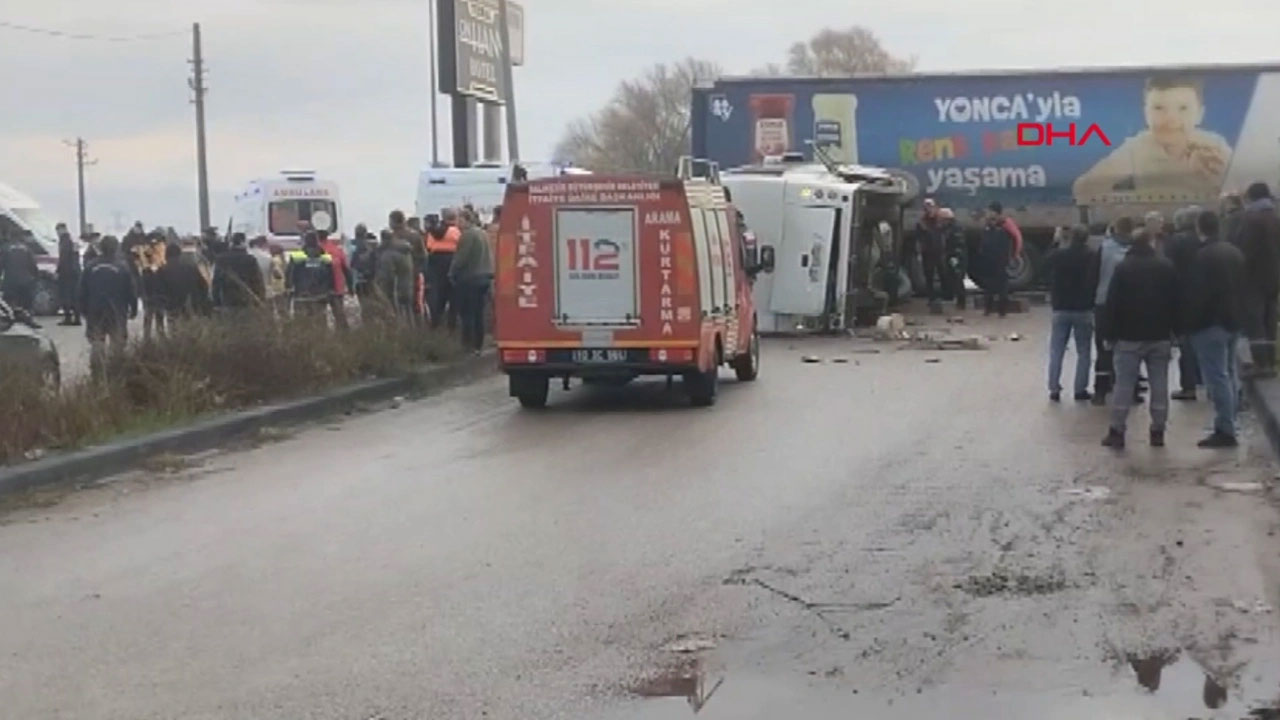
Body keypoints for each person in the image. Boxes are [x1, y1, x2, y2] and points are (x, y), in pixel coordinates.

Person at [1072, 74, 1232, 204]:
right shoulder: (1136, 149)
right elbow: (1082, 188)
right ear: (1145, 113)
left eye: (1183, 109)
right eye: (1159, 108)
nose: (1171, 119)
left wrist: (1221, 178)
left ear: (1199, 114)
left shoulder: (1214, 146)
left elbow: (1244, 189)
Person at [1100, 228, 1180, 449]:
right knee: (1159, 384)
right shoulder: (1166, 267)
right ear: (1152, 243)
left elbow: (1112, 304)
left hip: (1128, 337)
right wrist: (1176, 331)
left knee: (1124, 385)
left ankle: (1117, 431)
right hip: (1160, 335)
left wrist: (1108, 334)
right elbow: (1176, 302)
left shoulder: (1123, 268)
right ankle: (1158, 431)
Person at [1184, 211, 1249, 448]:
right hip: (1233, 321)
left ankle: (1225, 428)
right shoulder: (1234, 252)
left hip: (1210, 323)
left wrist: (1190, 324)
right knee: (1229, 374)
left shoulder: (1203, 256)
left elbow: (1198, 295)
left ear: (1200, 227)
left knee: (1217, 377)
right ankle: (1229, 422)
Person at [1044, 225, 1098, 402]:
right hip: (1083, 309)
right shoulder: (1091, 256)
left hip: (1061, 308)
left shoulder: (1060, 255)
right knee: (1084, 351)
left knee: (1057, 350)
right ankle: (1080, 389)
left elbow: (1045, 262)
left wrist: (1056, 241)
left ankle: (1054, 388)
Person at [78, 236, 137, 379]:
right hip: (116, 311)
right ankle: (115, 373)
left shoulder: (90, 267)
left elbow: (81, 291)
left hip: (95, 310)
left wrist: (83, 310)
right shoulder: (122, 268)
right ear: (116, 249)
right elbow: (131, 291)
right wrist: (133, 308)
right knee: (117, 344)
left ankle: (97, 374)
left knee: (97, 342)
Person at [1237, 182, 1280, 377]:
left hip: (1253, 278)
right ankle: (1271, 361)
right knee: (1270, 320)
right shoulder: (1275, 216)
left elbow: (1246, 250)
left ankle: (1261, 364)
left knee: (1255, 320)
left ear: (1251, 197)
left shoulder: (1252, 219)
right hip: (1274, 277)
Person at [1091, 216, 1135, 406]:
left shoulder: (1105, 248)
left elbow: (1093, 275)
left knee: (1103, 348)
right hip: (1130, 306)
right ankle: (1129, 391)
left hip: (1104, 303)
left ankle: (1101, 390)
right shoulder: (1135, 250)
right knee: (1129, 349)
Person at [1166, 206, 1205, 400]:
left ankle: (1189, 386)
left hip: (1182, 300)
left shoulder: (1175, 243)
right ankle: (1203, 379)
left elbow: (1168, 270)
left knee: (1186, 345)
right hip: (1206, 298)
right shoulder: (1204, 241)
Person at [449, 210, 494, 353]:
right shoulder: (482, 233)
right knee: (479, 312)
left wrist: (451, 272)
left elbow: (461, 258)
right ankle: (478, 344)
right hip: (484, 277)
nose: (457, 223)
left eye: (459, 220)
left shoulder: (467, 235)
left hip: (470, 278)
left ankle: (468, 344)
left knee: (467, 313)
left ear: (466, 219)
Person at [285, 231, 337, 322]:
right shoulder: (325, 258)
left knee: (302, 325)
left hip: (301, 296)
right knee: (320, 323)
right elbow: (331, 277)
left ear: (305, 241)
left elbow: (289, 275)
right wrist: (330, 291)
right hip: (320, 296)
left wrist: (290, 289)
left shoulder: (296, 257)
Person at [156, 242, 211, 321]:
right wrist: (200, 301)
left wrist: (163, 306)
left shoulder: (162, 270)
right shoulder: (191, 268)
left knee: (174, 330)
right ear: (180, 254)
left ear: (166, 255)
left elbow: (159, 291)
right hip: (190, 306)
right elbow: (203, 286)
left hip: (172, 307)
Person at [425, 208, 460, 330]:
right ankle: (452, 327)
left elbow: (428, 246)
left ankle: (435, 325)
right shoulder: (456, 231)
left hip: (435, 262)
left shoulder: (432, 232)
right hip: (452, 262)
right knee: (454, 297)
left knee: (437, 296)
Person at [211, 233, 266, 310]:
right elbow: (257, 281)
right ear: (244, 243)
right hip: (247, 302)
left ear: (231, 243)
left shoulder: (221, 259)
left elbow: (216, 282)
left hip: (227, 301)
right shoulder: (250, 260)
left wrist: (216, 302)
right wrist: (260, 299)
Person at [979, 201, 1014, 317]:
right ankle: (988, 309)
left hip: (1000, 261)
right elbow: (984, 243)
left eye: (991, 211)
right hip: (989, 261)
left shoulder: (1004, 226)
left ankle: (1002, 311)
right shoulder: (987, 227)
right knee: (988, 287)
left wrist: (1007, 259)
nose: (989, 214)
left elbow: (1010, 241)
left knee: (1002, 288)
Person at [913, 199, 946, 313]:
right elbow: (918, 239)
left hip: (940, 252)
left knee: (943, 274)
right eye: (926, 207)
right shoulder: (921, 223)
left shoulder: (940, 221)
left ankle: (943, 296)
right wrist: (919, 252)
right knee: (929, 276)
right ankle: (931, 298)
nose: (929, 209)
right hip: (927, 253)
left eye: (930, 206)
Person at [374, 228, 415, 319]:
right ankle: (413, 331)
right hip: (408, 286)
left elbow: (388, 275)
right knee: (409, 313)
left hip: (395, 291)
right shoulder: (405, 250)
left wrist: (382, 288)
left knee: (396, 315)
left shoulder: (388, 255)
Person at [317, 228, 352, 330]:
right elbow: (346, 269)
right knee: (339, 314)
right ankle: (344, 336)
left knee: (320, 316)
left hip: (322, 288)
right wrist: (350, 286)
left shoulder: (316, 250)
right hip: (338, 287)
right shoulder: (337, 250)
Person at [0, 232, 40, 315]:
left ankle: (11, 317)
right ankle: (27, 316)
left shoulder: (5, 248)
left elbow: (1, 264)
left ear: (9, 237)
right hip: (25, 281)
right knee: (26, 302)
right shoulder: (27, 249)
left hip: (10, 281)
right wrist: (35, 277)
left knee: (8, 302)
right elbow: (32, 265)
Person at [938, 208, 967, 310]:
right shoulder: (947, 228)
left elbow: (958, 243)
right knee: (951, 277)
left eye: (942, 219)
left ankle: (961, 302)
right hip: (951, 256)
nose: (940, 221)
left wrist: (955, 257)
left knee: (958, 278)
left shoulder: (956, 228)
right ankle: (952, 297)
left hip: (956, 257)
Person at [139, 236, 167, 341]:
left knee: (154, 319)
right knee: (151, 320)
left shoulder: (148, 271)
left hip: (154, 298)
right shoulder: (159, 270)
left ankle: (150, 338)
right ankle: (149, 338)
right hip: (153, 298)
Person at [349, 225, 379, 316]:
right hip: (371, 279)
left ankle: (366, 321)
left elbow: (351, 264)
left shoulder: (352, 246)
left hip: (358, 280)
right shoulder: (372, 246)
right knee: (372, 302)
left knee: (363, 304)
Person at [55, 223, 81, 326]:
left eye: (57, 231)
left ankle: (68, 318)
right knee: (74, 295)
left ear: (62, 230)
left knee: (66, 295)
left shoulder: (64, 241)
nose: (57, 233)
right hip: (75, 271)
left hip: (67, 272)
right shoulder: (72, 239)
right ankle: (77, 317)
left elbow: (63, 258)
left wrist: (58, 271)